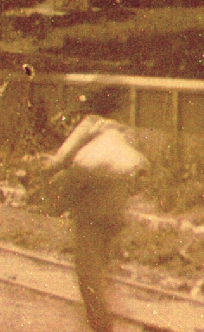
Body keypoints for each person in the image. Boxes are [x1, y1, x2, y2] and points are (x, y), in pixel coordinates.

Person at [43, 87, 147, 332]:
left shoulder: (90, 124)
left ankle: (101, 327)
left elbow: (62, 158)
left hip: (91, 209)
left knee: (87, 276)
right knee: (100, 270)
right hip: (115, 210)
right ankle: (103, 319)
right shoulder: (124, 131)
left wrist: (46, 170)